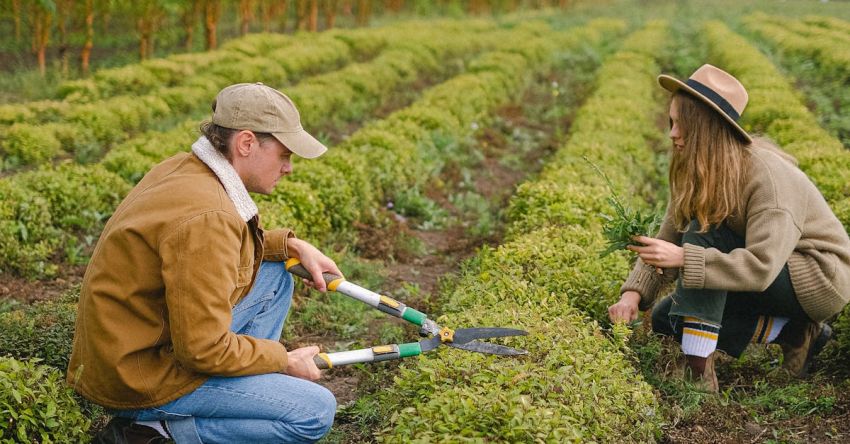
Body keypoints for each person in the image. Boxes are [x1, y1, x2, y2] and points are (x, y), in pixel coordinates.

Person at [67, 82, 342, 443]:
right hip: (141, 379)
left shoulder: (185, 168)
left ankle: (235, 388)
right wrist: (282, 359)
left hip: (128, 350)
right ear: (245, 144)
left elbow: (210, 251)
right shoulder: (208, 218)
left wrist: (290, 244)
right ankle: (152, 431)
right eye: (284, 154)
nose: (289, 168)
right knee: (314, 411)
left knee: (276, 273)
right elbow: (204, 349)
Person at [607, 64, 850, 392]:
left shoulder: (767, 178)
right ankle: (795, 333)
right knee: (669, 317)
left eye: (681, 125)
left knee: (703, 232)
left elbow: (762, 267)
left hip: (815, 278)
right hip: (769, 273)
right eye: (671, 122)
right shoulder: (700, 170)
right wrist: (632, 296)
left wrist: (684, 258)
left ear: (706, 128)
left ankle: (698, 377)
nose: (672, 134)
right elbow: (667, 239)